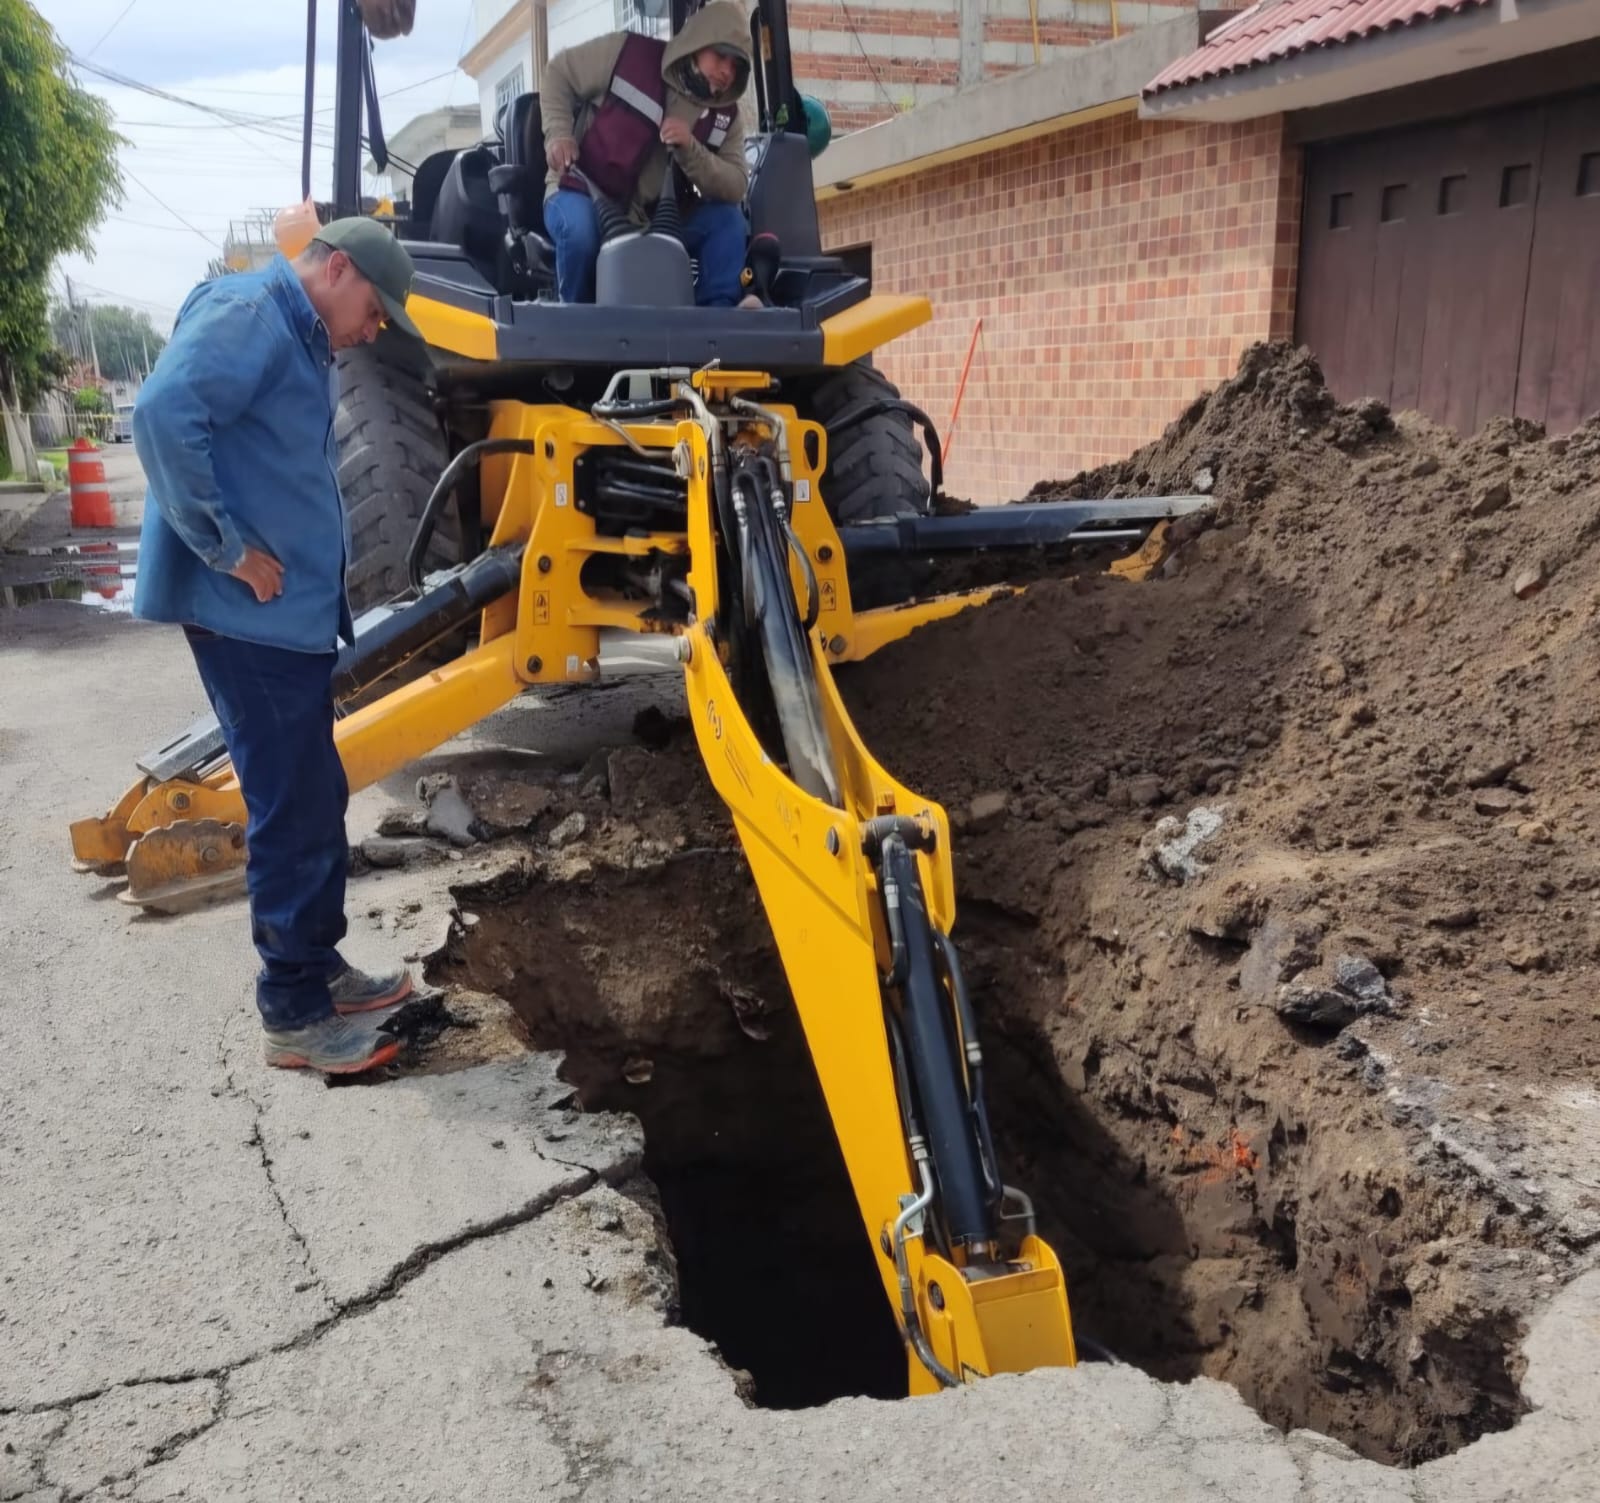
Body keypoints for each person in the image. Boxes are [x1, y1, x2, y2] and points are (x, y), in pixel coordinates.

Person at [132, 219, 422, 1077]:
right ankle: (293, 1011)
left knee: (312, 788)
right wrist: (223, 546)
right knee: (290, 806)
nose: (374, 330)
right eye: (374, 309)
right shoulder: (253, 312)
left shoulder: (290, 324)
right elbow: (161, 413)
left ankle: (315, 965)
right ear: (337, 268)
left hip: (281, 623)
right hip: (246, 618)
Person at [540, 1, 760, 307]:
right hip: (583, 192)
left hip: (661, 218)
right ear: (697, 43)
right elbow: (558, 73)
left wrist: (691, 150)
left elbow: (736, 184)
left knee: (728, 222)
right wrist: (559, 135)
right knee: (579, 232)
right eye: (720, 56)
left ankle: (718, 321)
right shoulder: (625, 52)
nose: (726, 71)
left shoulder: (727, 117)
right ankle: (577, 321)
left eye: (736, 65)